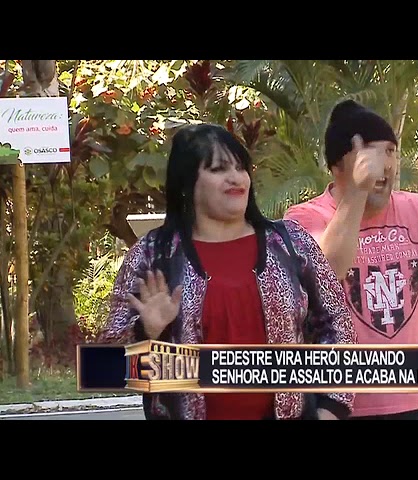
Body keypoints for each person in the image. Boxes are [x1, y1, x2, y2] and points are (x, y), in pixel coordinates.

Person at [97, 123, 357, 420]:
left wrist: (331, 408)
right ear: (187, 182)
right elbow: (106, 365)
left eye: (240, 167)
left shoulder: (291, 243)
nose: (235, 178)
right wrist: (147, 332)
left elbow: (337, 323)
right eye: (218, 169)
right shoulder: (153, 254)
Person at [283, 99, 418, 420]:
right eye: (371, 152)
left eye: (390, 152)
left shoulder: (415, 209)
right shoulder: (304, 217)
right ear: (337, 165)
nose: (384, 165)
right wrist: (357, 192)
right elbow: (326, 274)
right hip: (340, 407)